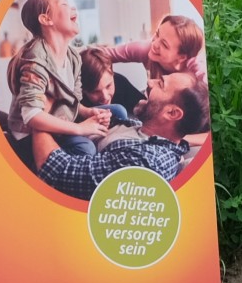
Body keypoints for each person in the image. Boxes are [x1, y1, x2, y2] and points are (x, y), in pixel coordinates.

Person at [30, 81, 204, 200]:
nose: (150, 82)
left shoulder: (146, 163)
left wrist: (38, 114)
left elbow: (56, 170)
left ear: (172, 113)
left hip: (41, 162)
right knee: (118, 111)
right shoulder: (141, 128)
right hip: (65, 132)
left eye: (161, 84)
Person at [7, 0, 111, 158]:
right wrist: (80, 128)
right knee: (86, 149)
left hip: (61, 121)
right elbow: (31, 115)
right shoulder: (35, 61)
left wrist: (88, 112)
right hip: (30, 136)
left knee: (118, 112)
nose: (73, 9)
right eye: (64, 4)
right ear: (46, 19)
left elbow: (72, 102)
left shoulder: (73, 58)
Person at [107, 13, 209, 86]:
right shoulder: (146, 48)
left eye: (164, 45)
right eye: (157, 34)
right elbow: (102, 54)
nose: (154, 44)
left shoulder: (199, 72)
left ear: (182, 57)